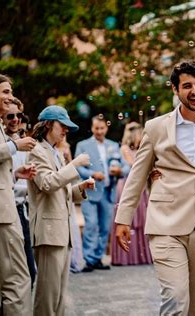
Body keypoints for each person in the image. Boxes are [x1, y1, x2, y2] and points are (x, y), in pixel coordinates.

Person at [114, 60, 195, 315]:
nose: (194, 91)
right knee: (175, 298)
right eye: (187, 86)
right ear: (175, 89)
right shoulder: (156, 127)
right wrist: (123, 219)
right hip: (165, 223)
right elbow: (137, 174)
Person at [0, 73, 36, 315]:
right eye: (5, 91)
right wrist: (14, 146)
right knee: (18, 280)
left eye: (11, 92)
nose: (10, 97)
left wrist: (14, 173)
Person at [27, 105, 94, 315]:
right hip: (48, 233)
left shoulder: (55, 153)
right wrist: (74, 165)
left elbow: (60, 192)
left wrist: (80, 189)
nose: (65, 130)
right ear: (48, 124)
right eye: (62, 125)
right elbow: (46, 184)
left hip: (61, 233)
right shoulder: (36, 151)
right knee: (47, 297)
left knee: (58, 297)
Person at [75, 115, 125, 272]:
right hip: (90, 191)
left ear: (106, 128)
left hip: (108, 192)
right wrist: (92, 173)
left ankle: (97, 258)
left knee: (104, 227)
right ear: (92, 128)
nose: (99, 131)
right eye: (96, 128)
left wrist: (119, 171)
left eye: (102, 128)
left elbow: (126, 167)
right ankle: (89, 259)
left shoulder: (113, 145)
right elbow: (78, 167)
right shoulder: (83, 145)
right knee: (90, 225)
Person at [2, 97, 37, 287]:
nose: (15, 119)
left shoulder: (24, 145)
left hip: (23, 211)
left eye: (19, 115)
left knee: (30, 272)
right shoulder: (1, 144)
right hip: (7, 211)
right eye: (10, 116)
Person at [110, 122, 152, 265]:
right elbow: (136, 166)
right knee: (129, 220)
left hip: (140, 188)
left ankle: (140, 256)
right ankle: (126, 256)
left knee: (141, 221)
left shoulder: (141, 149)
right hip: (127, 186)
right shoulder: (125, 149)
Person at [55, 137, 85, 273]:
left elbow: (72, 175)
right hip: (55, 193)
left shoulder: (66, 148)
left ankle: (72, 261)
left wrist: (68, 161)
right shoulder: (45, 150)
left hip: (66, 192)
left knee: (71, 227)